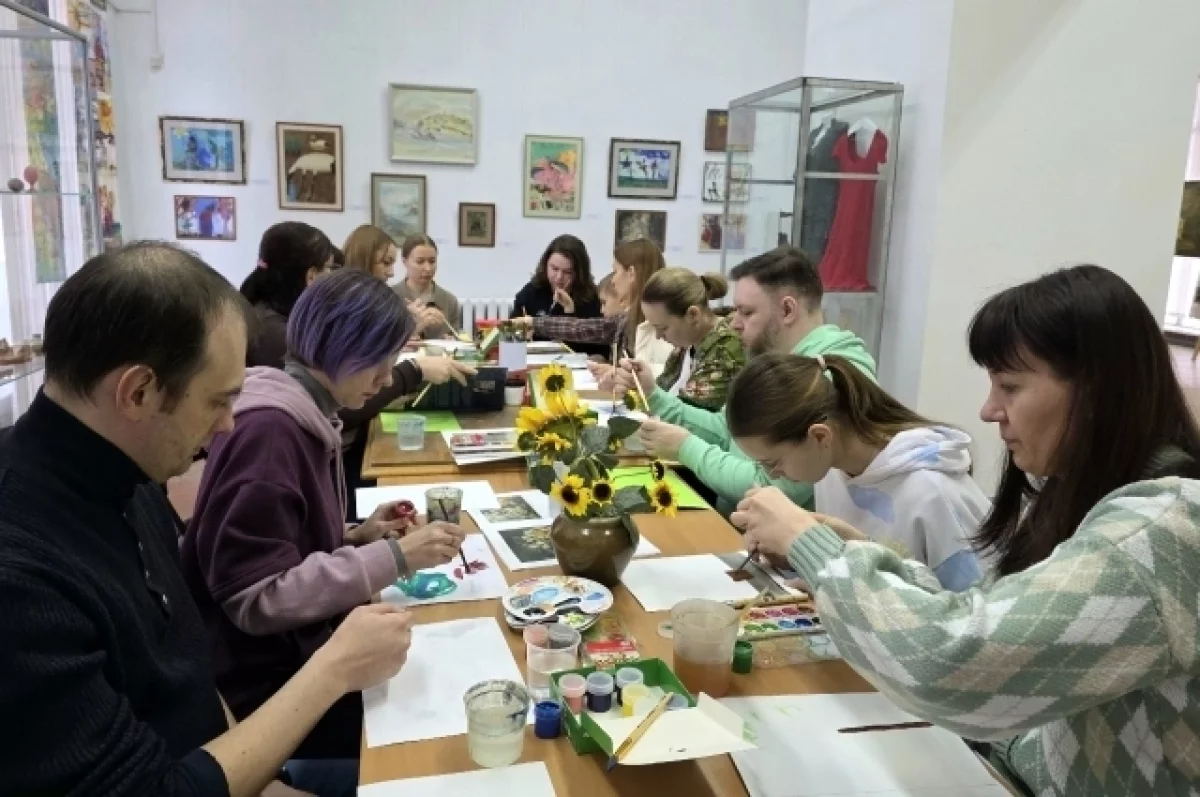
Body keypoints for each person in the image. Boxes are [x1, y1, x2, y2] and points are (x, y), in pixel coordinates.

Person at [733, 265, 1200, 796]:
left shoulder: (1155, 533)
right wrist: (858, 553)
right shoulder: (1085, 500)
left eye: (1010, 386)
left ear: (1096, 390)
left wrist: (811, 545)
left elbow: (952, 661)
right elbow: (985, 617)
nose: (988, 410)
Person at [0, 242, 412, 797]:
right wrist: (333, 670)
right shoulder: (21, 577)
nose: (228, 426)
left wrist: (266, 778)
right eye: (218, 402)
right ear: (138, 392)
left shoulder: (129, 478)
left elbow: (191, 671)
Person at [181, 270, 466, 792]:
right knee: (442, 724)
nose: (386, 379)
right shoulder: (271, 431)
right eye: (378, 362)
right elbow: (255, 597)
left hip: (296, 653)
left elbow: (288, 542)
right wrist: (395, 558)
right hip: (267, 688)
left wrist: (357, 535)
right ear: (341, 348)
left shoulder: (307, 410)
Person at [615, 245, 876, 510]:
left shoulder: (823, 375)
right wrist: (655, 396)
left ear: (787, 310)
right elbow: (724, 429)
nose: (734, 323)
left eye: (747, 312)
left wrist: (686, 448)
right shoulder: (774, 359)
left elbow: (773, 486)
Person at [726, 352, 985, 591]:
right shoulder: (830, 469)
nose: (772, 475)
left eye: (773, 462)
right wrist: (792, 554)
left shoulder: (933, 492)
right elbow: (852, 568)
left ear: (820, 436)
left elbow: (971, 612)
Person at [515, 239, 673, 370]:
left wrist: (534, 322)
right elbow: (582, 328)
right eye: (554, 268)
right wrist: (533, 322)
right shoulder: (628, 317)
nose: (613, 279)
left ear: (631, 274)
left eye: (616, 271)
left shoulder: (655, 326)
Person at [638, 267, 745, 411]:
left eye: (663, 328)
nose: (658, 336)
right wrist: (634, 385)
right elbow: (662, 389)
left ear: (693, 315)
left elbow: (688, 414)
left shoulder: (725, 350)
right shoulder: (686, 346)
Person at [241, 221, 335, 368]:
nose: (332, 276)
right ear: (311, 275)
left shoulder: (266, 313)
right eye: (329, 267)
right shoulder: (276, 334)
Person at [512, 234, 602, 319]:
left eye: (567, 272)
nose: (559, 277)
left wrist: (569, 311)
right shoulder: (531, 292)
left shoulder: (590, 299)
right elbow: (511, 326)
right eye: (554, 269)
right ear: (545, 265)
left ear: (579, 273)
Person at [392, 234, 461, 339]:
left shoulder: (449, 300)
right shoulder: (390, 297)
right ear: (405, 262)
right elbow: (383, 342)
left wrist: (452, 340)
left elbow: (457, 338)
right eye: (420, 262)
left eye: (432, 261)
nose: (428, 268)